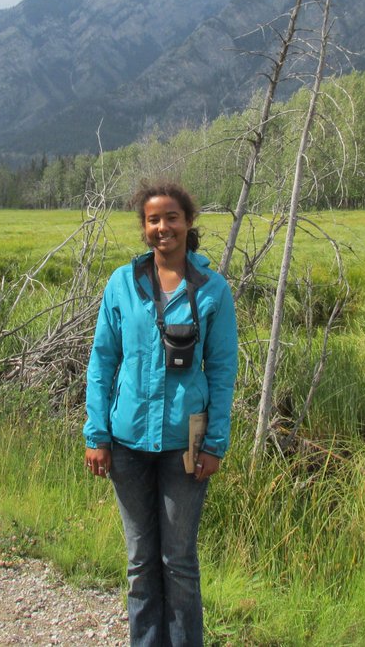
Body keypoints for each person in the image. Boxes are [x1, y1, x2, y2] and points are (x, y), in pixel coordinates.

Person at [83, 181, 239, 647]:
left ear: (188, 223)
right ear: (144, 228)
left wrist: (215, 443)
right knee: (140, 564)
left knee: (180, 563)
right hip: (127, 443)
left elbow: (223, 372)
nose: (162, 227)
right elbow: (102, 361)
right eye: (153, 219)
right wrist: (97, 434)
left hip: (184, 447)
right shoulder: (122, 285)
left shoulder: (212, 290)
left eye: (171, 217)